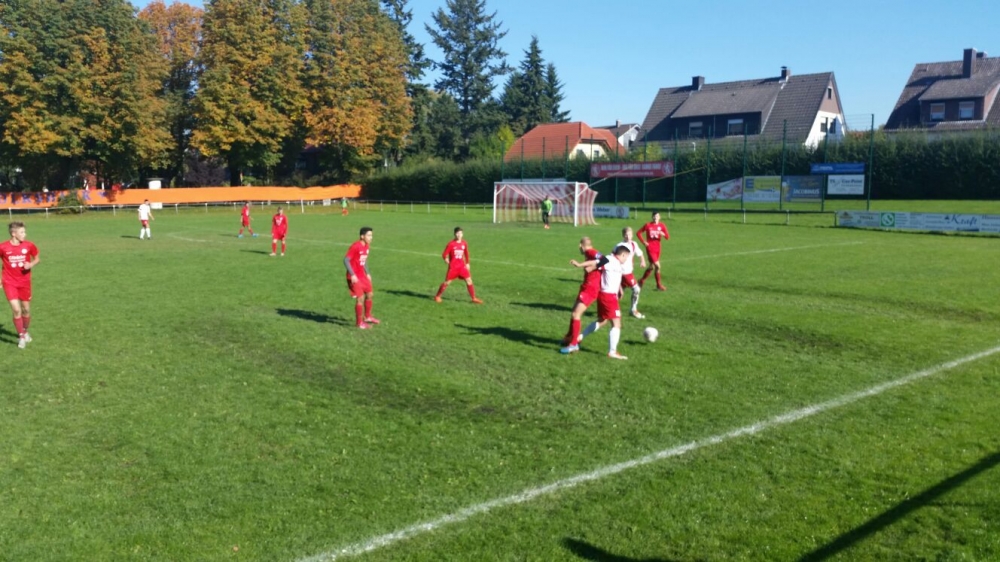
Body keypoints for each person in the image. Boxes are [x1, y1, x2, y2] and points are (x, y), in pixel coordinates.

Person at [561, 244, 631, 359]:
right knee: (616, 324)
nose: (626, 259)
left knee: (602, 321)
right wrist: (584, 266)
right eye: (626, 257)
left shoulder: (616, 263)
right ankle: (612, 352)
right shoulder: (610, 259)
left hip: (608, 295)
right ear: (623, 254)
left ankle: (579, 337)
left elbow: (612, 276)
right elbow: (595, 262)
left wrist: (619, 289)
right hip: (608, 296)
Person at [1, 221, 40, 349]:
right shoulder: (3, 247)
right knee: (16, 309)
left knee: (26, 310)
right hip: (9, 282)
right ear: (14, 234)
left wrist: (31, 264)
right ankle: (21, 336)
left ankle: (25, 330)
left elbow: (37, 258)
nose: (25, 234)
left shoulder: (29, 245)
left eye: (24, 232)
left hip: (24, 282)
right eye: (22, 232)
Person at [560, 237, 602, 347]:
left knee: (576, 314)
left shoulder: (591, 252)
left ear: (581, 246)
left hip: (590, 288)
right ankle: (569, 337)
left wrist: (592, 267)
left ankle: (574, 343)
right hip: (586, 286)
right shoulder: (589, 253)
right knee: (574, 311)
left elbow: (604, 260)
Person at [434, 227, 483, 304]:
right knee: (447, 282)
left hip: (462, 267)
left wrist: (467, 263)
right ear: (454, 234)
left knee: (469, 280)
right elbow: (444, 254)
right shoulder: (451, 244)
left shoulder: (464, 243)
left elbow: (466, 253)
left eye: (460, 233)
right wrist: (446, 259)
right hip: (453, 267)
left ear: (462, 234)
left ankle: (474, 298)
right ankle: (437, 296)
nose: (459, 235)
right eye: (457, 233)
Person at [344, 226, 379, 329]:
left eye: (371, 235)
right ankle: (359, 323)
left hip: (362, 275)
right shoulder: (356, 246)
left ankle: (367, 317)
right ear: (362, 236)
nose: (371, 237)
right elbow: (346, 260)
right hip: (354, 276)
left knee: (370, 294)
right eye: (369, 235)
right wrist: (352, 274)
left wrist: (367, 273)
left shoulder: (367, 246)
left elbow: (364, 259)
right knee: (360, 298)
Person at [615, 226, 648, 319]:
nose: (628, 236)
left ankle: (609, 309)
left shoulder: (634, 244)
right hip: (623, 273)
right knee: (636, 289)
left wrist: (643, 261)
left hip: (628, 272)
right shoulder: (619, 245)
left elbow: (640, 253)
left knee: (618, 294)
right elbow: (612, 255)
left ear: (632, 235)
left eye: (629, 234)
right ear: (623, 235)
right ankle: (633, 310)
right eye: (626, 235)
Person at [636, 211, 670, 291]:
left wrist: (663, 234)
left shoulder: (662, 225)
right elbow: (638, 233)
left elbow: (667, 237)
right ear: (652, 217)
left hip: (658, 248)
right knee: (658, 266)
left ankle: (641, 280)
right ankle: (658, 285)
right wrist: (644, 242)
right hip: (650, 248)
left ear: (659, 217)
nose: (655, 218)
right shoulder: (648, 225)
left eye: (657, 216)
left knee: (652, 267)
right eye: (654, 216)